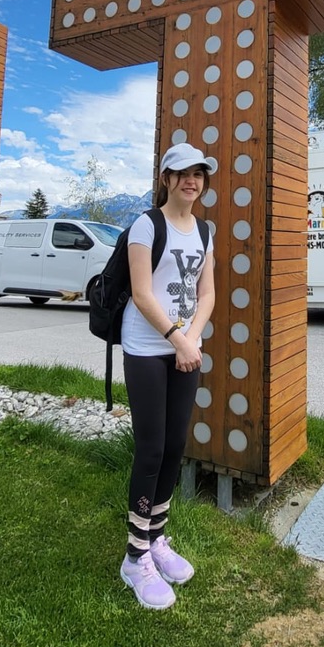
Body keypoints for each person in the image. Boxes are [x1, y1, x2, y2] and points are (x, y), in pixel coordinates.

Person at [119, 142, 216, 610]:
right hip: (146, 348)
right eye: (182, 173)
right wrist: (179, 339)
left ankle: (156, 537)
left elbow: (207, 293)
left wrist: (191, 339)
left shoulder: (205, 230)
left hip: (184, 349)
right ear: (166, 179)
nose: (191, 181)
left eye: (198, 173)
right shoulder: (146, 225)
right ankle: (134, 556)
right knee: (152, 448)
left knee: (176, 445)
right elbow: (141, 294)